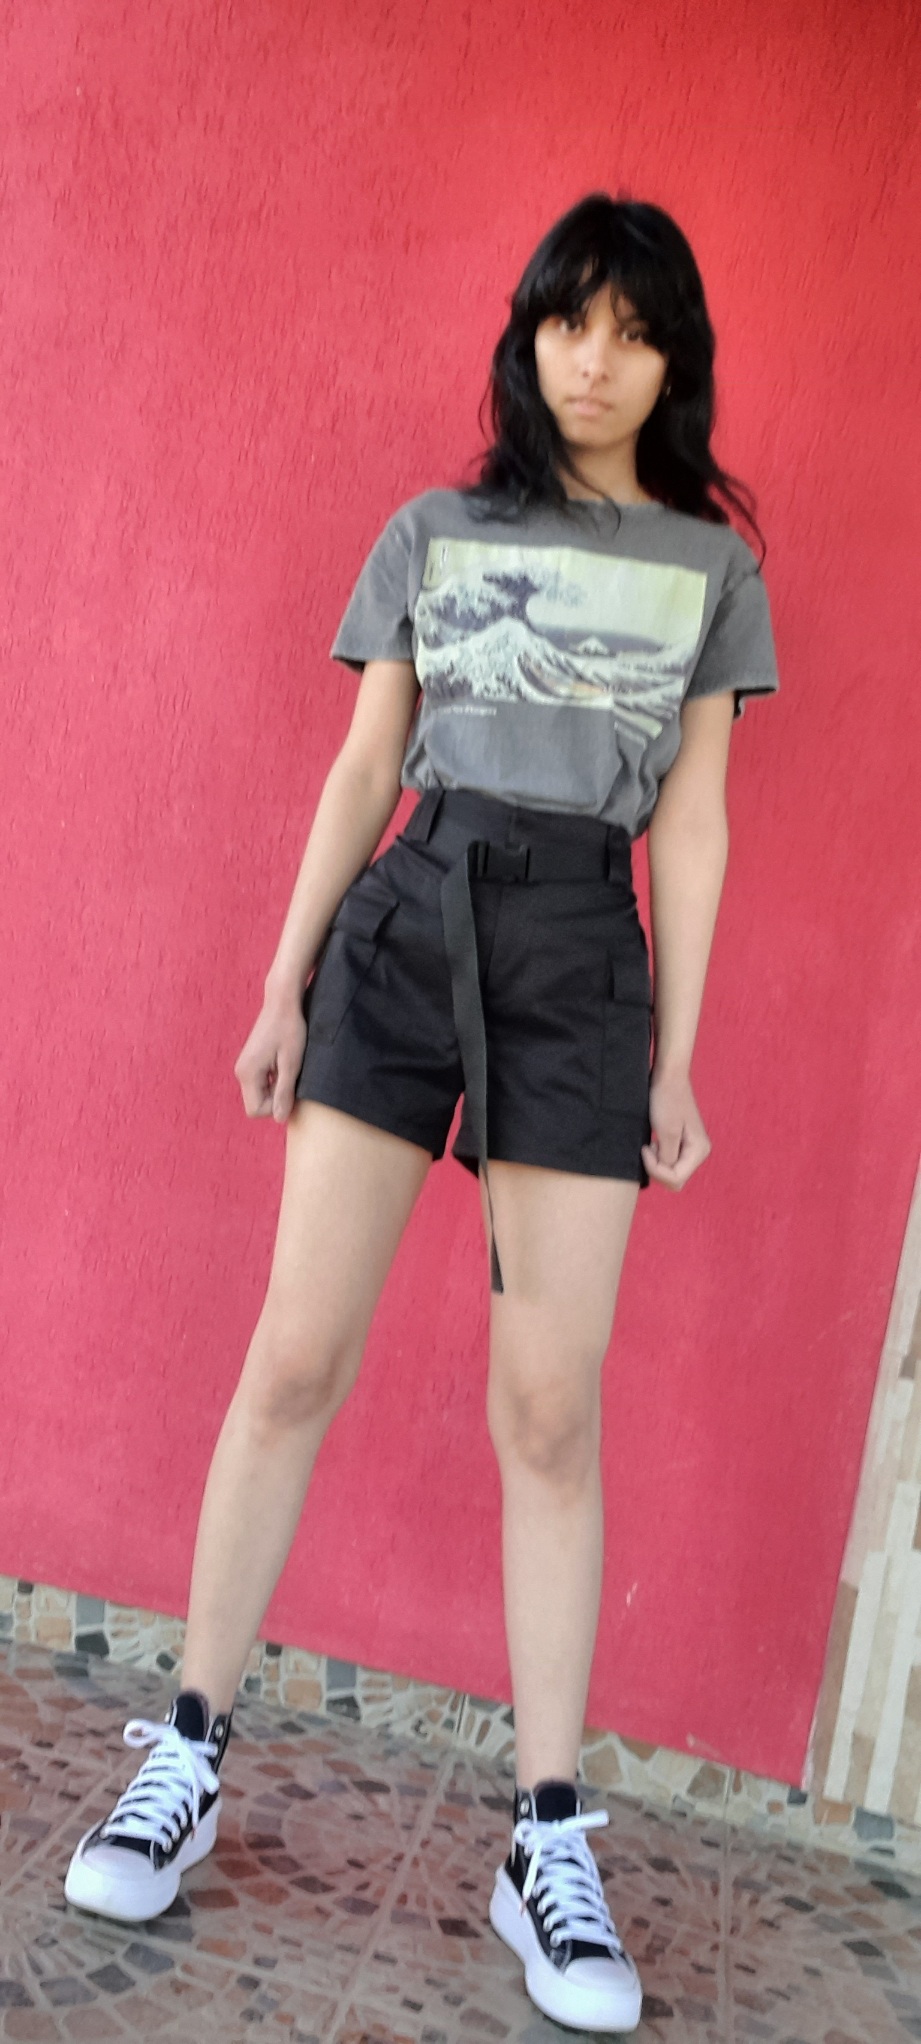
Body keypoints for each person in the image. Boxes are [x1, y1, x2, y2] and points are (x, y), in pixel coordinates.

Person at [64, 191, 779, 2033]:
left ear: (674, 362)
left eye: (632, 330)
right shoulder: (433, 532)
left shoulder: (709, 570)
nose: (593, 359)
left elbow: (693, 826)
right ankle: (187, 1745)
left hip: (582, 959)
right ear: (526, 339)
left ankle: (544, 1839)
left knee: (548, 1411)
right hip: (406, 923)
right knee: (294, 1355)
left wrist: (675, 1053)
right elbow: (366, 760)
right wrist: (281, 982)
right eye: (566, 322)